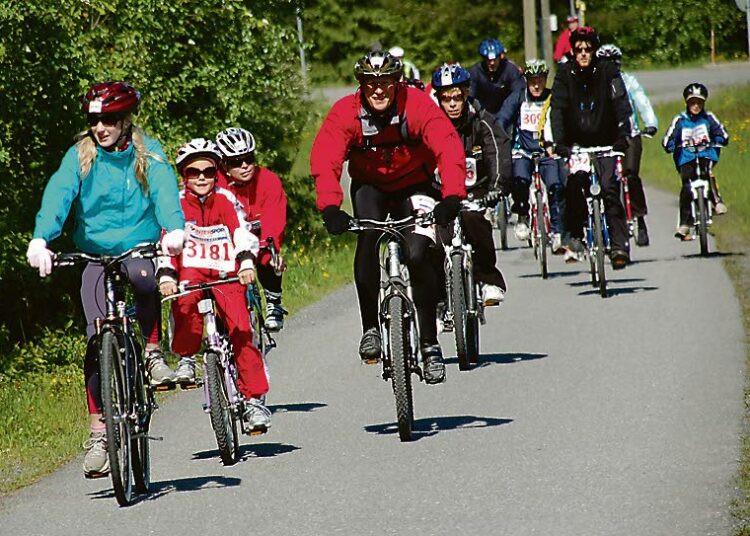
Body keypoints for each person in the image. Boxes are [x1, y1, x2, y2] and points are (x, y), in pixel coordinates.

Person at [26, 81, 185, 478]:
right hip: (94, 253)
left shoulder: (148, 152)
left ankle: (151, 353)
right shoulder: (80, 156)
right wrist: (42, 237)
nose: (101, 127)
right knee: (96, 337)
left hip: (138, 246)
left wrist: (174, 227)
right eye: (95, 120)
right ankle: (99, 432)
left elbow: (166, 191)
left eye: (110, 120)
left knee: (144, 279)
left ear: (126, 120)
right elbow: (59, 194)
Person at [310, 50, 467, 384]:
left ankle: (429, 344)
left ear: (397, 83)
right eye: (369, 83)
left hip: (416, 185)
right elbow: (325, 158)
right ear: (361, 85)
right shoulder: (346, 113)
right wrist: (330, 207)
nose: (377, 90)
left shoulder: (418, 105)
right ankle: (370, 329)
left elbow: (448, 145)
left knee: (418, 252)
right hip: (371, 187)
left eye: (384, 83)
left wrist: (452, 195)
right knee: (367, 237)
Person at [157, 138, 272, 431]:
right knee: (184, 307)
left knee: (241, 329)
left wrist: (246, 263)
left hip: (227, 275)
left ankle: (254, 400)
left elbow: (241, 232)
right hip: (191, 275)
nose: (202, 178)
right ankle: (186, 358)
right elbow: (166, 244)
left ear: (216, 171)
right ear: (184, 174)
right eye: (194, 172)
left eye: (208, 171)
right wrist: (167, 276)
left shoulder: (225, 199)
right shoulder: (176, 204)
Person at [550, 27, 633, 268]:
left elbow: (621, 104)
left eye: (588, 49)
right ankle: (576, 237)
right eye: (578, 50)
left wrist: (623, 135)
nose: (583, 54)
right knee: (574, 185)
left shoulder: (609, 71)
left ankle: (619, 246)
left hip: (607, 141)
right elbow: (558, 109)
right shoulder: (564, 74)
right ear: (573, 52)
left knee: (609, 189)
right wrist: (560, 143)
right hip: (577, 145)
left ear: (594, 50)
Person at [431, 62, 511, 305]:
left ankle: (489, 280)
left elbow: (498, 152)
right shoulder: (430, 124)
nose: (453, 104)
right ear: (439, 100)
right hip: (442, 194)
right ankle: (440, 298)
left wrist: (497, 186)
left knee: (476, 222)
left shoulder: (482, 120)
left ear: (466, 94)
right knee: (433, 240)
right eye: (447, 99)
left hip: (476, 191)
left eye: (457, 97)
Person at [216, 127, 289, 332]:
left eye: (249, 158)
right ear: (224, 164)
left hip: (261, 234)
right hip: (230, 238)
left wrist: (272, 247)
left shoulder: (268, 180)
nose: (245, 166)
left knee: (269, 257)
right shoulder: (217, 185)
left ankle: (274, 302)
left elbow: (275, 218)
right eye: (236, 162)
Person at [499, 59, 565, 253]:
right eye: (532, 80)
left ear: (546, 80)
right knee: (519, 181)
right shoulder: (518, 97)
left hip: (547, 152)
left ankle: (557, 230)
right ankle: (522, 216)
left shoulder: (553, 98)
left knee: (555, 186)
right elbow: (502, 119)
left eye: (540, 80)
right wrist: (501, 140)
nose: (536, 85)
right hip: (523, 151)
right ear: (526, 81)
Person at [596, 44, 658, 247]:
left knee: (631, 175)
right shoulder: (593, 84)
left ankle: (640, 220)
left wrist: (650, 123)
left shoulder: (629, 81)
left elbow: (642, 102)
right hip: (605, 139)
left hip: (630, 135)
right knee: (607, 182)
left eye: (613, 62)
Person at [662, 83, 729, 239]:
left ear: (703, 103)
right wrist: (671, 145)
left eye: (699, 103)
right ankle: (685, 223)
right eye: (693, 102)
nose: (696, 106)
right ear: (687, 103)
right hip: (686, 157)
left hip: (706, 154)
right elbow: (668, 139)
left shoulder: (708, 118)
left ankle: (716, 200)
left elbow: (722, 133)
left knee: (707, 172)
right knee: (687, 184)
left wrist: (720, 139)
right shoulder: (680, 120)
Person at [469, 38, 526, 118]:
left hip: (508, 115)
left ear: (500, 57)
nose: (492, 63)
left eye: (495, 59)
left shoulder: (510, 69)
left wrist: (504, 116)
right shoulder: (475, 72)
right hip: (483, 116)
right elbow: (470, 96)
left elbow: (518, 92)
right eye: (488, 60)